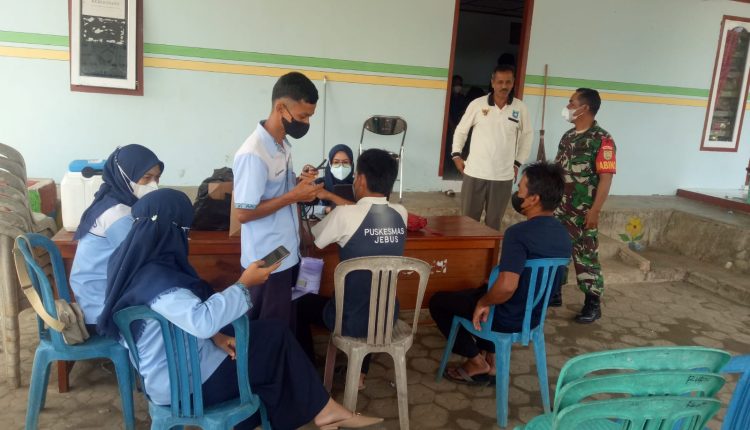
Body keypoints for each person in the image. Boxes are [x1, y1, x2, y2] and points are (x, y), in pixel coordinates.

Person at [97, 189, 382, 430]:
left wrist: (218, 337)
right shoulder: (160, 280)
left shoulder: (134, 268)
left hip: (171, 372)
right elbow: (201, 319)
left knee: (273, 336)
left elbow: (181, 318)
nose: (187, 238)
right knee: (274, 352)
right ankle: (316, 411)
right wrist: (244, 284)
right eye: (185, 230)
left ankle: (317, 410)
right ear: (171, 230)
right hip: (188, 386)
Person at [429, 161, 571, 384]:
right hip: (532, 318)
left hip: (505, 317)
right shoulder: (563, 235)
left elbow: (507, 287)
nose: (517, 193)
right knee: (483, 289)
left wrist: (484, 301)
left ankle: (476, 361)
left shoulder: (518, 234)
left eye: (521, 188)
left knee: (439, 301)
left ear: (534, 199)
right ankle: (492, 361)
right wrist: (493, 285)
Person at [295, 149, 407, 390]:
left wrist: (295, 201)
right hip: (388, 317)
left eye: (356, 175)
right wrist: (328, 196)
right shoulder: (401, 214)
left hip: (349, 320)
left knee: (298, 305)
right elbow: (364, 210)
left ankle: (307, 374)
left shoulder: (344, 215)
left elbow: (308, 240)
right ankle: (360, 374)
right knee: (372, 299)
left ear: (361, 179)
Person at [233, 71, 324, 324]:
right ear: (281, 108)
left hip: (286, 252)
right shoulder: (253, 153)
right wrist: (293, 195)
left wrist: (299, 184)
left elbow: (278, 191)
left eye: (309, 117)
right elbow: (243, 213)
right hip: (266, 261)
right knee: (268, 330)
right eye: (303, 116)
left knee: (284, 326)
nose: (306, 122)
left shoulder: (282, 145)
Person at [69, 144, 162, 331]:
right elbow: (142, 260)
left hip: (90, 297)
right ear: (124, 175)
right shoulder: (117, 213)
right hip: (99, 309)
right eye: (146, 177)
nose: (154, 185)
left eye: (157, 178)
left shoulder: (111, 200)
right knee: (172, 313)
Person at [553, 88, 616, 324]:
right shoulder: (568, 136)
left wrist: (595, 211)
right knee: (556, 250)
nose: (568, 107)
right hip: (560, 208)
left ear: (584, 108)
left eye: (571, 102)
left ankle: (592, 303)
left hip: (583, 211)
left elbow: (606, 178)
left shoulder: (603, 140)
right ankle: (554, 293)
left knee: (585, 256)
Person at [451, 64, 533, 230]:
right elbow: (461, 130)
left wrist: (517, 163)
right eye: (500, 82)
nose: (504, 86)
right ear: (493, 82)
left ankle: (488, 248)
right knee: (468, 222)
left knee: (493, 224)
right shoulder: (477, 104)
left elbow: (527, 136)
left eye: (508, 82)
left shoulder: (520, 108)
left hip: (503, 176)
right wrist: (456, 155)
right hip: (475, 172)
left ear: (513, 83)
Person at [311, 144, 356, 215]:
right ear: (330, 164)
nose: (341, 166)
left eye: (345, 162)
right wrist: (325, 209)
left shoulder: (357, 185)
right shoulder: (320, 184)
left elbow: (362, 209)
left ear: (351, 164)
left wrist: (329, 195)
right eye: (336, 162)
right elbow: (304, 209)